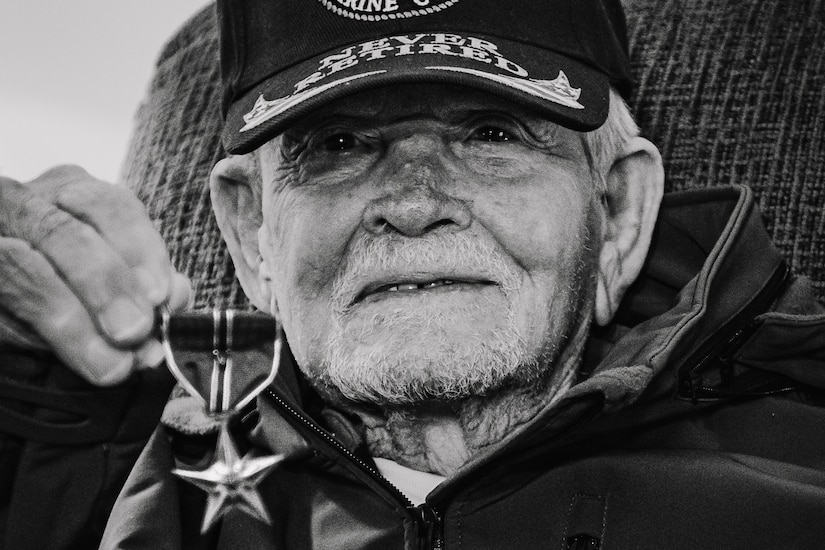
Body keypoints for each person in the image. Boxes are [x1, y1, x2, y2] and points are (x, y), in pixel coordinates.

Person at [2, 0, 825, 548]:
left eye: (492, 134)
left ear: (616, 215)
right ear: (252, 235)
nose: (413, 202)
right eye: (338, 145)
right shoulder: (90, 452)